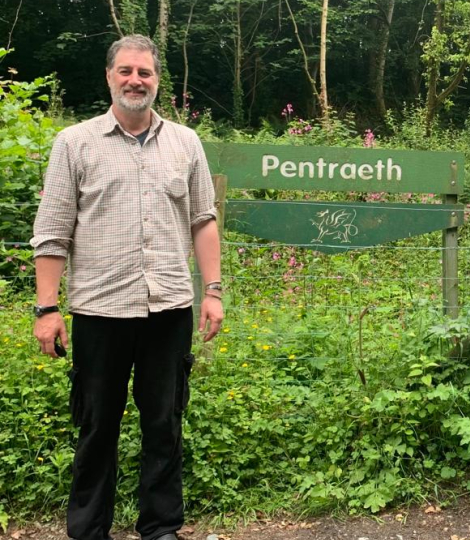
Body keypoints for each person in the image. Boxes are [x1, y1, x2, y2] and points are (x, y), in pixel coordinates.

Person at [31, 35, 223, 540]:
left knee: (164, 424)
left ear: (158, 80)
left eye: (146, 72)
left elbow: (203, 219)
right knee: (97, 428)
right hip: (99, 312)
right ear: (109, 76)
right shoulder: (75, 143)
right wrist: (46, 308)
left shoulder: (187, 144)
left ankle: (161, 528)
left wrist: (214, 290)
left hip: (169, 309)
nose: (135, 80)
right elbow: (52, 231)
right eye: (126, 71)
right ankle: (89, 530)